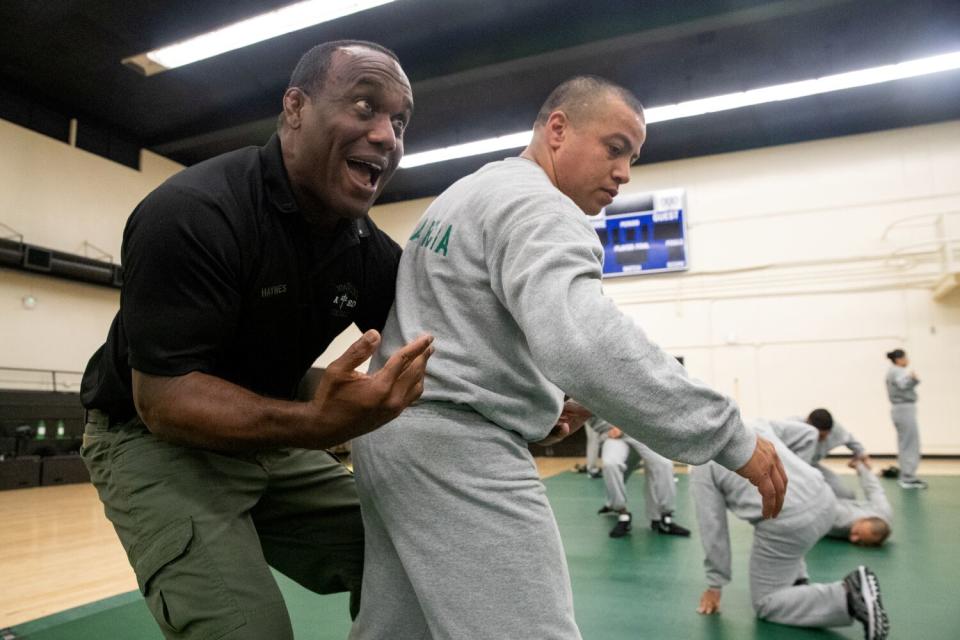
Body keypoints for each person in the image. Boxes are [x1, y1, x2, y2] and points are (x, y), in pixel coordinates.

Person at [348, 75, 787, 640]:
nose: (625, 172)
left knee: (399, 631)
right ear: (558, 129)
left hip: (393, 439)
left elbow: (464, 323)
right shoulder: (543, 209)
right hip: (458, 449)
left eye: (633, 157)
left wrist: (532, 398)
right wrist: (728, 434)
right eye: (615, 147)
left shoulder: (469, 192)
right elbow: (584, 339)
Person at [78, 41, 435, 640]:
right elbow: (163, 401)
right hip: (152, 438)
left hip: (270, 432)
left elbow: (435, 341)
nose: (386, 136)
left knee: (417, 564)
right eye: (365, 107)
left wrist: (540, 392)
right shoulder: (194, 212)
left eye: (399, 121)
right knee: (250, 632)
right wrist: (320, 424)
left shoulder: (361, 246)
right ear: (294, 108)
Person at [692, 423, 889, 639]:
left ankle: (849, 596)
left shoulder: (702, 464)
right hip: (823, 496)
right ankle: (797, 585)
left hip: (789, 522)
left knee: (766, 602)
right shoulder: (751, 424)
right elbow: (808, 433)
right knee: (789, 540)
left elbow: (713, 528)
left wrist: (715, 584)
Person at [588, 416, 690, 538]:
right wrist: (606, 429)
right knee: (611, 464)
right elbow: (588, 414)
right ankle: (622, 514)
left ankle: (665, 518)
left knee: (664, 464)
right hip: (615, 435)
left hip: (643, 433)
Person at [800, 408, 868, 499]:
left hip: (813, 466)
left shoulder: (835, 429)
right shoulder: (792, 427)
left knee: (847, 495)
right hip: (793, 471)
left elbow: (850, 440)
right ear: (807, 424)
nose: (823, 440)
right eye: (820, 436)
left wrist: (861, 454)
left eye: (825, 436)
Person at [829, 457, 893, 546]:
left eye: (862, 542)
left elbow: (873, 490)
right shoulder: (841, 520)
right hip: (830, 504)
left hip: (831, 505)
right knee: (847, 494)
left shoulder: (882, 521)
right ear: (861, 520)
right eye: (856, 533)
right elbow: (874, 489)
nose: (853, 539)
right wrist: (860, 466)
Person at [885, 348, 926, 488]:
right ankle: (908, 478)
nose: (907, 360)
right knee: (910, 444)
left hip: (901, 409)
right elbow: (903, 384)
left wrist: (912, 380)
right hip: (904, 409)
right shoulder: (897, 370)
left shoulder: (894, 371)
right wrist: (912, 378)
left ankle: (906, 476)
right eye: (905, 357)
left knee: (905, 443)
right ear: (899, 359)